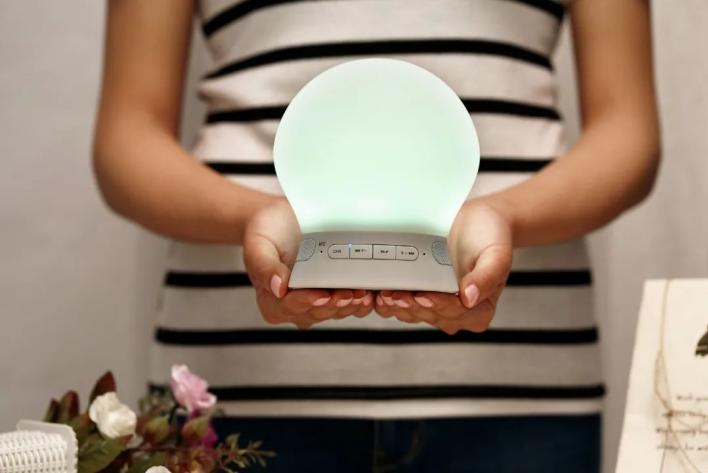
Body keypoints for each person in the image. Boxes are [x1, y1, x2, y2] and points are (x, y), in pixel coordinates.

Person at [93, 0, 659, 471]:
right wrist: (257, 216)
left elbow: (628, 132)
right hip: (231, 391)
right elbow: (126, 141)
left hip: (524, 389)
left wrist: (504, 217)